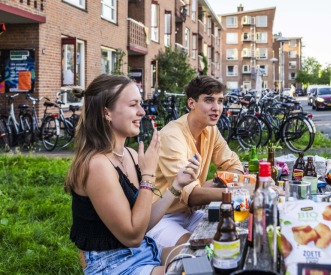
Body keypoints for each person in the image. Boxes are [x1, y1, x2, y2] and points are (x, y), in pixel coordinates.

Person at [65, 74, 200, 275]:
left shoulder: (130, 154)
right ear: (107, 113)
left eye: (141, 104)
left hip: (144, 251)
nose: (142, 111)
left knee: (206, 256)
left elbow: (142, 223)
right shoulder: (97, 165)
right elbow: (133, 235)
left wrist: (176, 186)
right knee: (197, 272)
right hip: (113, 265)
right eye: (133, 105)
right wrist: (147, 176)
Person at [147, 76, 245, 248]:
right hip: (161, 217)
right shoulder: (172, 135)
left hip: (191, 212)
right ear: (191, 103)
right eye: (209, 100)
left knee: (235, 233)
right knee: (195, 251)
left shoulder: (210, 130)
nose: (217, 108)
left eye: (220, 101)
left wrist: (208, 187)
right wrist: (243, 192)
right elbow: (191, 195)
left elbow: (235, 167)